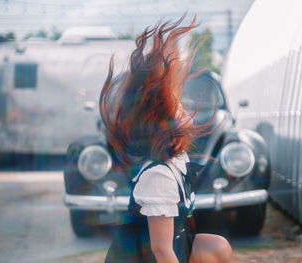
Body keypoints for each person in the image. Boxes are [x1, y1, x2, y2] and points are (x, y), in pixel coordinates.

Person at [99, 13, 232, 263]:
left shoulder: (176, 159)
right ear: (163, 123)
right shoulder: (158, 175)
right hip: (143, 258)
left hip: (164, 250)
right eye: (177, 105)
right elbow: (161, 250)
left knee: (217, 247)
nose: (186, 107)